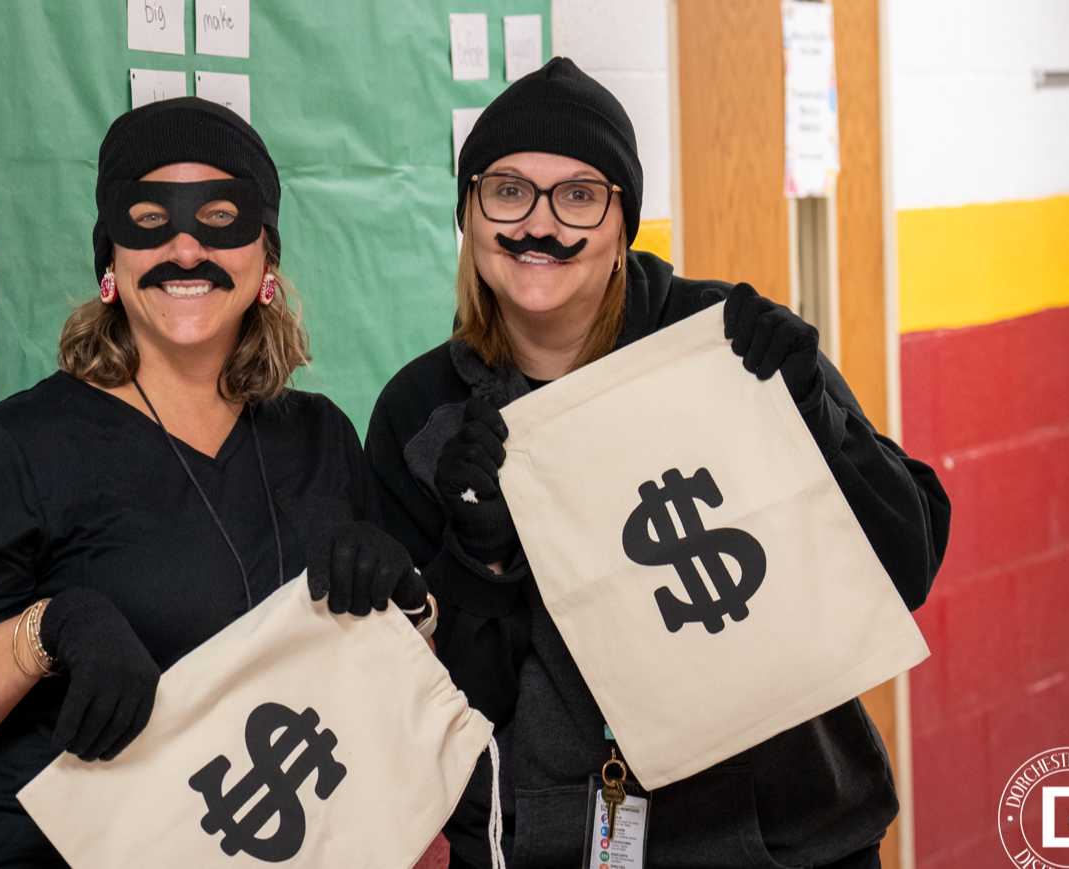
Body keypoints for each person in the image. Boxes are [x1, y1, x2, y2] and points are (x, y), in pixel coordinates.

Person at [365, 59, 951, 868]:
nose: (540, 224)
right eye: (507, 190)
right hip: (568, 846)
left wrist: (815, 416)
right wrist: (482, 557)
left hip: (800, 835)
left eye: (579, 195)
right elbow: (439, 716)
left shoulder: (725, 342)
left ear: (623, 223)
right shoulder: (421, 418)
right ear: (467, 212)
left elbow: (907, 562)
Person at [0, 97, 430, 869]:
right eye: (151, 220)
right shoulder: (20, 447)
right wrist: (45, 631)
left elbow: (380, 668)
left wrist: (406, 597)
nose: (187, 249)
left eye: (220, 218)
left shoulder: (321, 437)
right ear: (110, 261)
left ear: (266, 259)